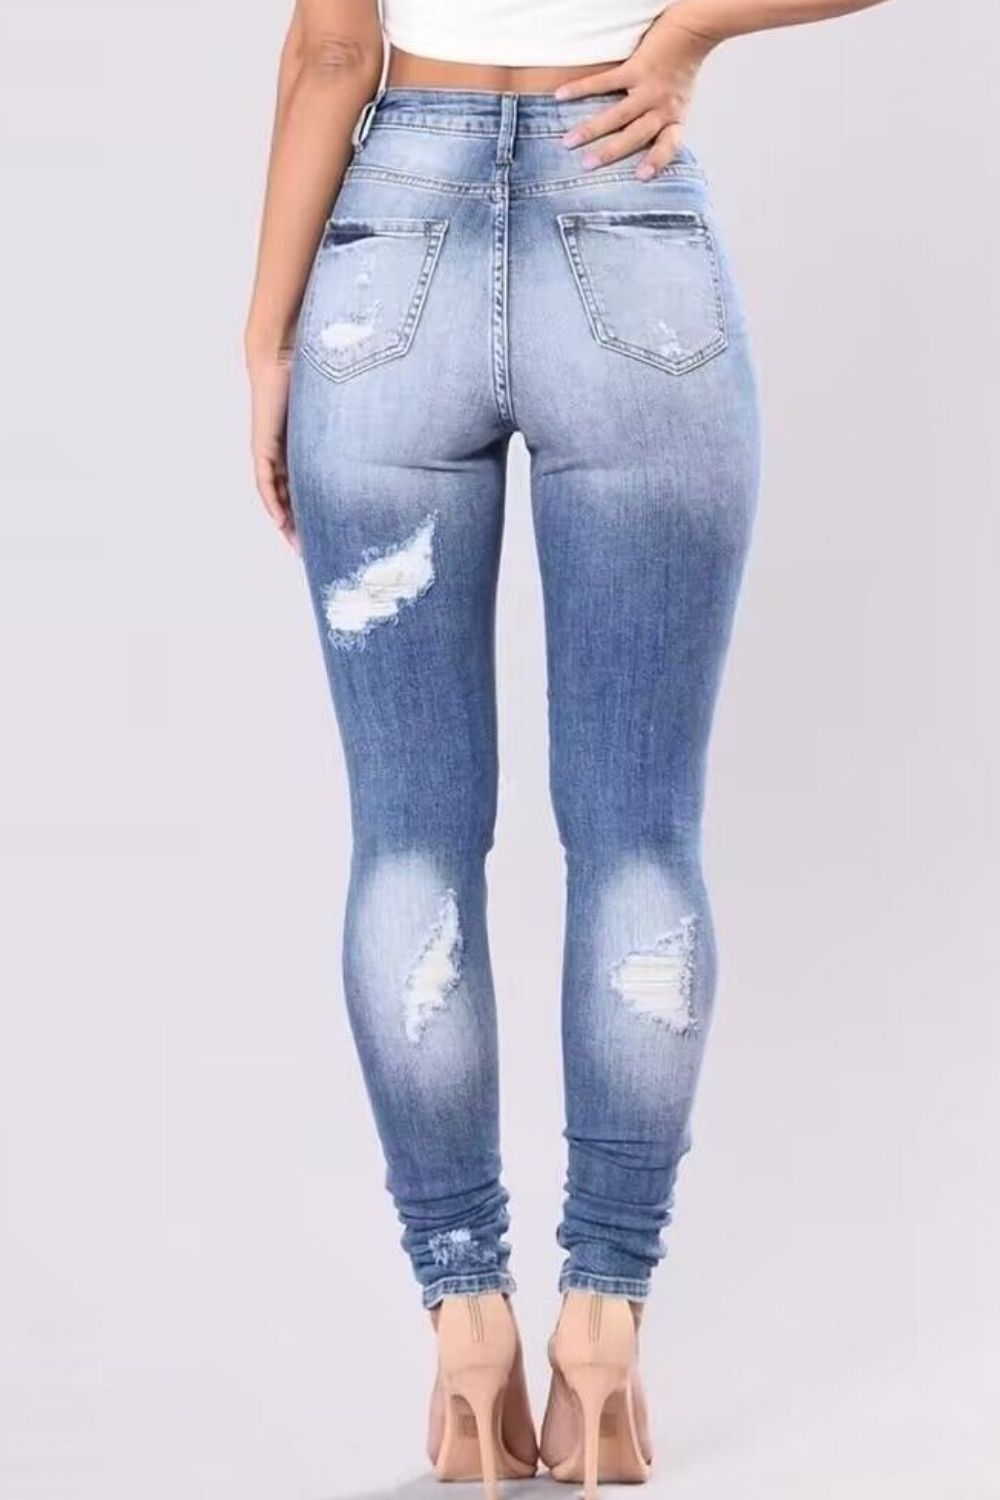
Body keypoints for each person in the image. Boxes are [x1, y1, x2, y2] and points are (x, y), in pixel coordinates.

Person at [244, 0, 889, 1492]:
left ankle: (466, 1328)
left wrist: (267, 339)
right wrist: (690, 31)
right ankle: (602, 1328)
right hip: (627, 222)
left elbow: (333, 56)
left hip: (390, 246)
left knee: (409, 842)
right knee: (639, 835)